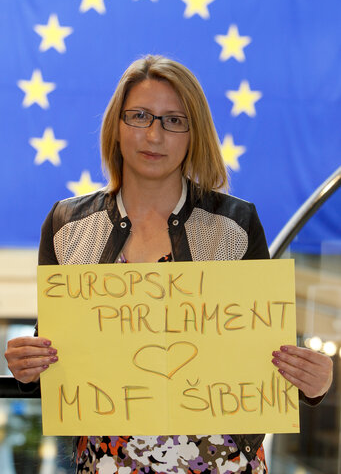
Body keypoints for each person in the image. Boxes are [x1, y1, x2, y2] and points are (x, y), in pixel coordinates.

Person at [5, 55, 333, 474]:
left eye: (173, 120)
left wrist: (314, 384)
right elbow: (52, 354)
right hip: (108, 463)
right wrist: (27, 366)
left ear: (193, 133)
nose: (154, 135)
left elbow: (270, 352)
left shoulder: (235, 224)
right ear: (116, 126)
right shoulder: (66, 225)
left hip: (225, 462)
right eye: (139, 116)